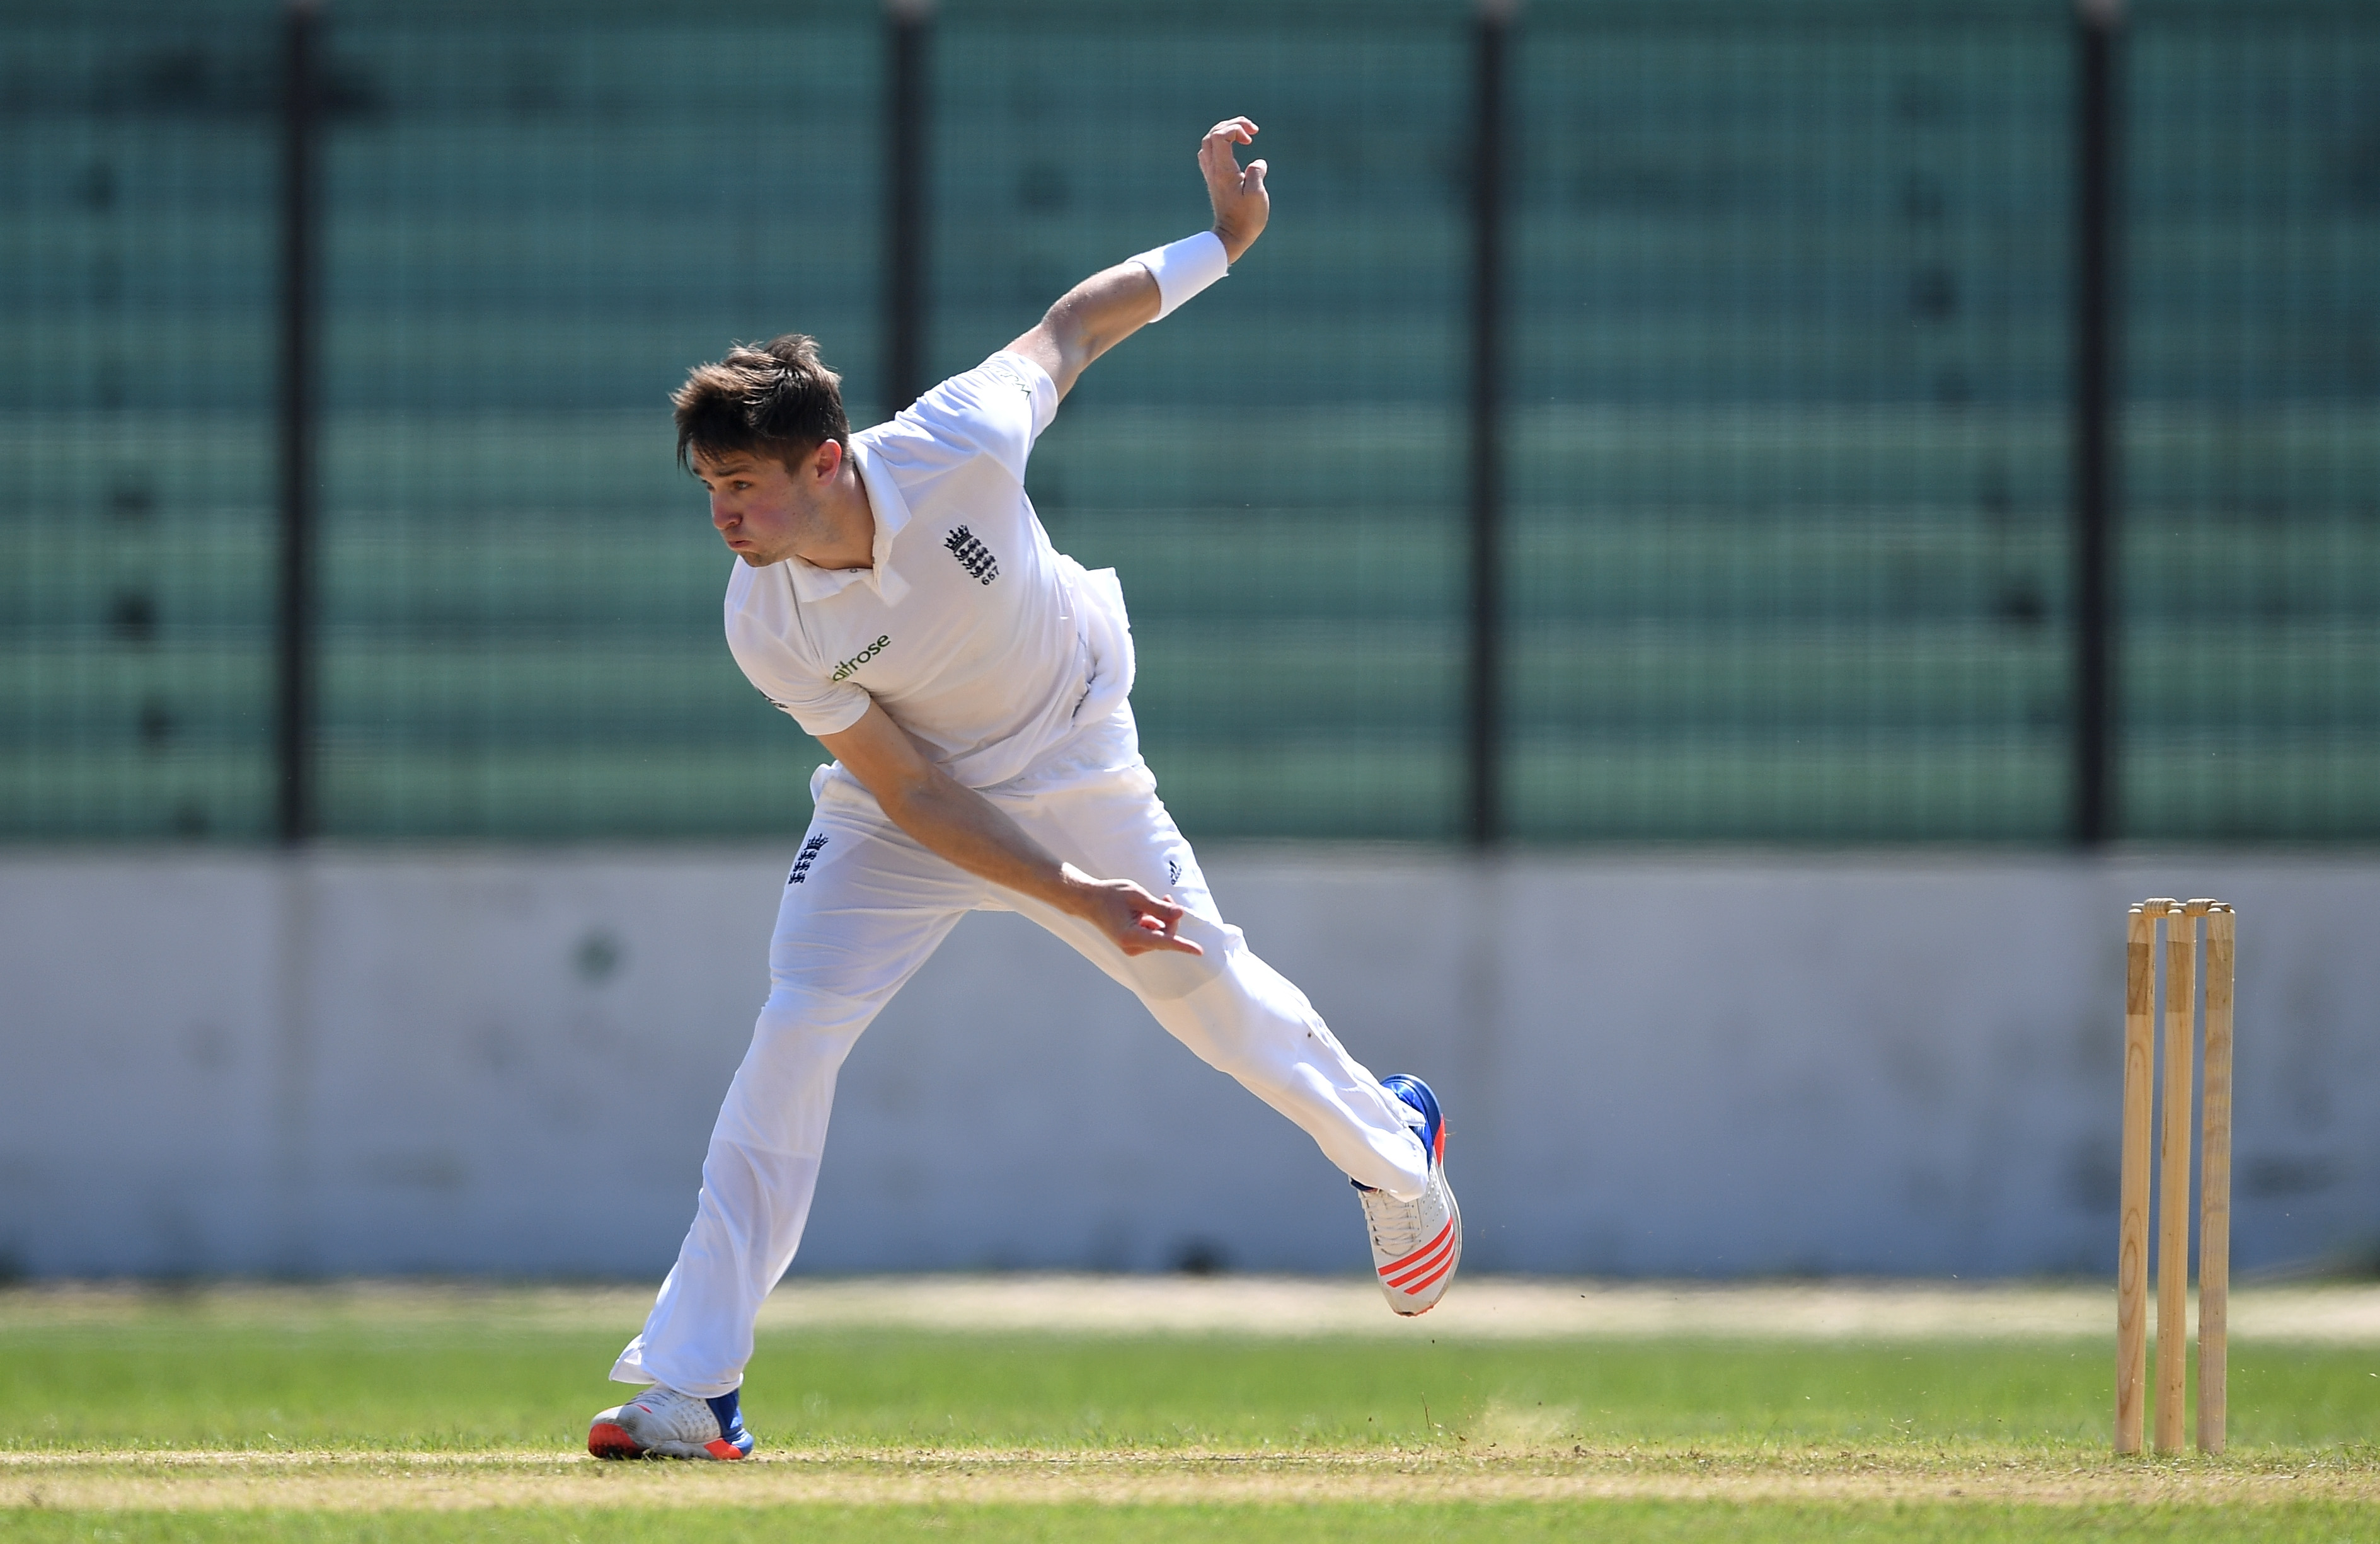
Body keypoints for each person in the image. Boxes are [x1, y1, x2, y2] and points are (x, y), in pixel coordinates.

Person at [588, 117, 1460, 1463]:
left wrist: (1221, 244)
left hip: (1072, 753)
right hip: (903, 809)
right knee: (796, 1029)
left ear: (828, 460)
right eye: (709, 488)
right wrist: (1064, 894)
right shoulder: (763, 622)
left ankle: (1396, 1150)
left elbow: (1071, 326)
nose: (726, 516)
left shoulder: (955, 440)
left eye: (745, 485)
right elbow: (910, 789)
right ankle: (693, 1383)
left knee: (1203, 995)